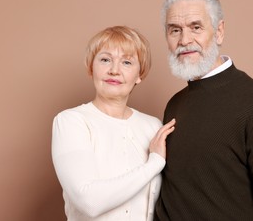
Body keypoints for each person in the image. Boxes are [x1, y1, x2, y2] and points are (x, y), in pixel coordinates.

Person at [154, 0, 253, 220]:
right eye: (175, 30)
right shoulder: (175, 105)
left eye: (196, 27)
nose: (184, 40)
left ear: (219, 31)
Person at [52, 26, 175, 221]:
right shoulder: (71, 122)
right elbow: (89, 203)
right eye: (105, 60)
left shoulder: (153, 127)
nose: (114, 70)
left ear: (140, 74)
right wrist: (154, 163)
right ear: (90, 67)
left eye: (126, 62)